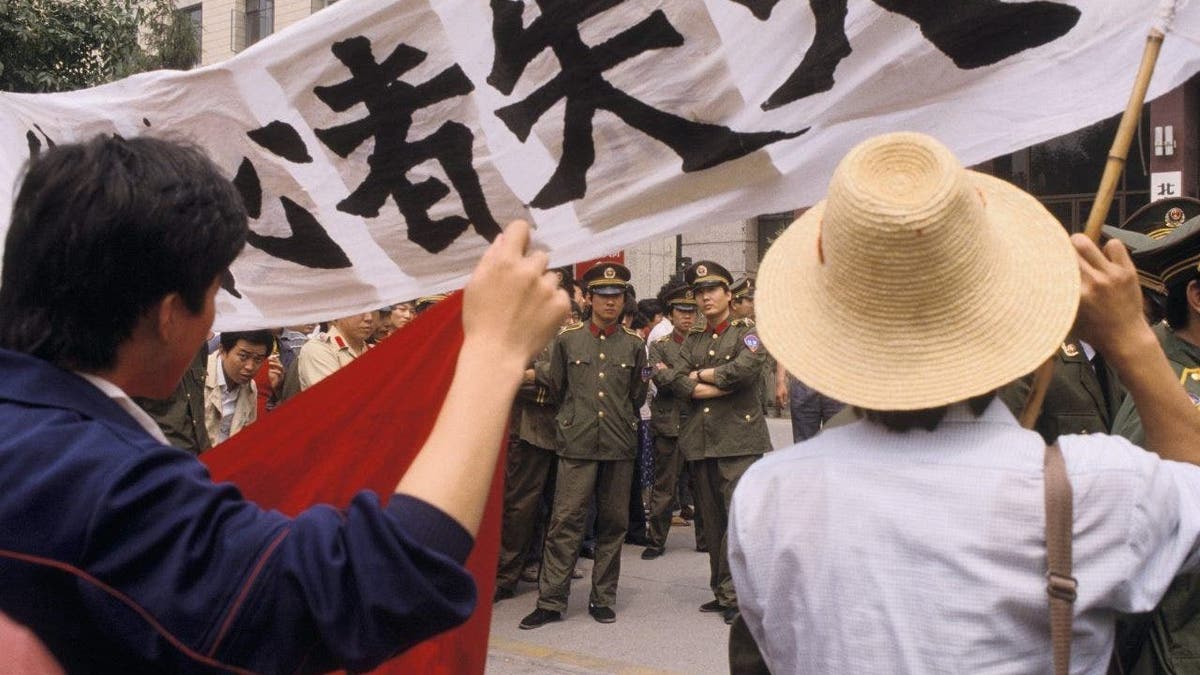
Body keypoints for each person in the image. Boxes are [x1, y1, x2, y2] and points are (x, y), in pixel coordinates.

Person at [0, 135, 566, 671]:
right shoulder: (106, 486)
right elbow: (378, 584)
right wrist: (494, 351)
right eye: (219, 290)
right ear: (170, 314)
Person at [727, 130, 1200, 673]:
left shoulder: (766, 493)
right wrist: (1132, 340)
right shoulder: (1095, 489)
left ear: (835, 319)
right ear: (1005, 307)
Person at [519, 263, 648, 629]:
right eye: (603, 296)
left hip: (619, 444)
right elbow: (556, 386)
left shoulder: (635, 345)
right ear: (588, 298)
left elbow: (635, 396)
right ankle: (551, 601)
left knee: (612, 524)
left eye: (617, 296)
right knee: (565, 523)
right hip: (576, 443)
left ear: (624, 301)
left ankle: (603, 597)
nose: (610, 303)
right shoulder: (567, 340)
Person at [662, 260, 770, 626]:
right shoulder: (692, 338)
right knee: (711, 522)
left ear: (728, 294)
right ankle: (722, 590)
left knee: (739, 521)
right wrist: (711, 386)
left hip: (738, 440)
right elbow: (674, 379)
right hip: (701, 439)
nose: (705, 297)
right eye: (699, 293)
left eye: (712, 290)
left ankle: (740, 596)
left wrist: (703, 377)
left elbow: (745, 371)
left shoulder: (748, 332)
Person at [643, 283, 697, 559]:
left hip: (700, 424)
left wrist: (672, 374)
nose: (687, 316)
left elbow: (668, 377)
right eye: (681, 311)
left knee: (702, 489)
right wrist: (692, 377)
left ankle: (707, 539)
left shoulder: (704, 342)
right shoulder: (660, 345)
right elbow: (658, 380)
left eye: (692, 311)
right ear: (670, 314)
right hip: (670, 423)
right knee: (664, 488)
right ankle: (656, 540)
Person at [205, 329, 274, 445]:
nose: (250, 366)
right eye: (243, 356)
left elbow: (248, 437)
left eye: (258, 359)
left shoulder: (251, 387)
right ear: (223, 351)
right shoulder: (197, 377)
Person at [296, 311, 374, 390]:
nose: (369, 318)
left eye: (373, 309)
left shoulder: (374, 350)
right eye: (360, 310)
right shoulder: (317, 349)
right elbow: (334, 396)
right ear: (337, 314)